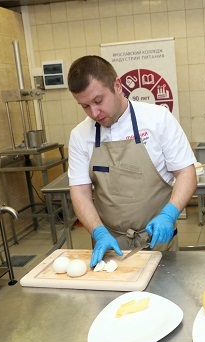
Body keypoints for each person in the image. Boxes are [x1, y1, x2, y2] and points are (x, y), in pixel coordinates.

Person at [66, 55, 197, 268]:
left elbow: (186, 173)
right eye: (85, 106)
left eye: (98, 101)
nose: (94, 113)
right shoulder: (80, 135)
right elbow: (80, 192)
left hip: (157, 238)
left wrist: (169, 214)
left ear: (117, 86)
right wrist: (98, 232)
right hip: (110, 245)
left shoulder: (158, 119)